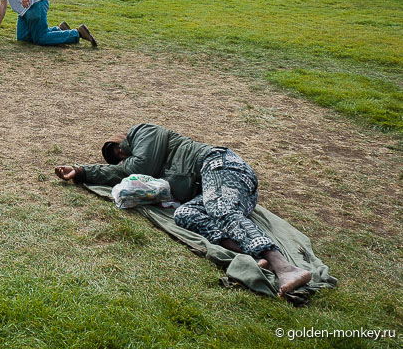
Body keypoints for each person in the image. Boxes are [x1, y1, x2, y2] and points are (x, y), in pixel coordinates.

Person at [54, 123, 314, 299]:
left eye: (117, 149)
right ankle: (250, 250)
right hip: (211, 189)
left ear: (124, 139)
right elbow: (125, 172)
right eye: (115, 157)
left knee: (220, 208)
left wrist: (101, 169)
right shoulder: (132, 162)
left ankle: (284, 267)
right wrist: (82, 172)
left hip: (220, 165)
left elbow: (136, 167)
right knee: (184, 215)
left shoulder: (145, 131)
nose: (120, 155)